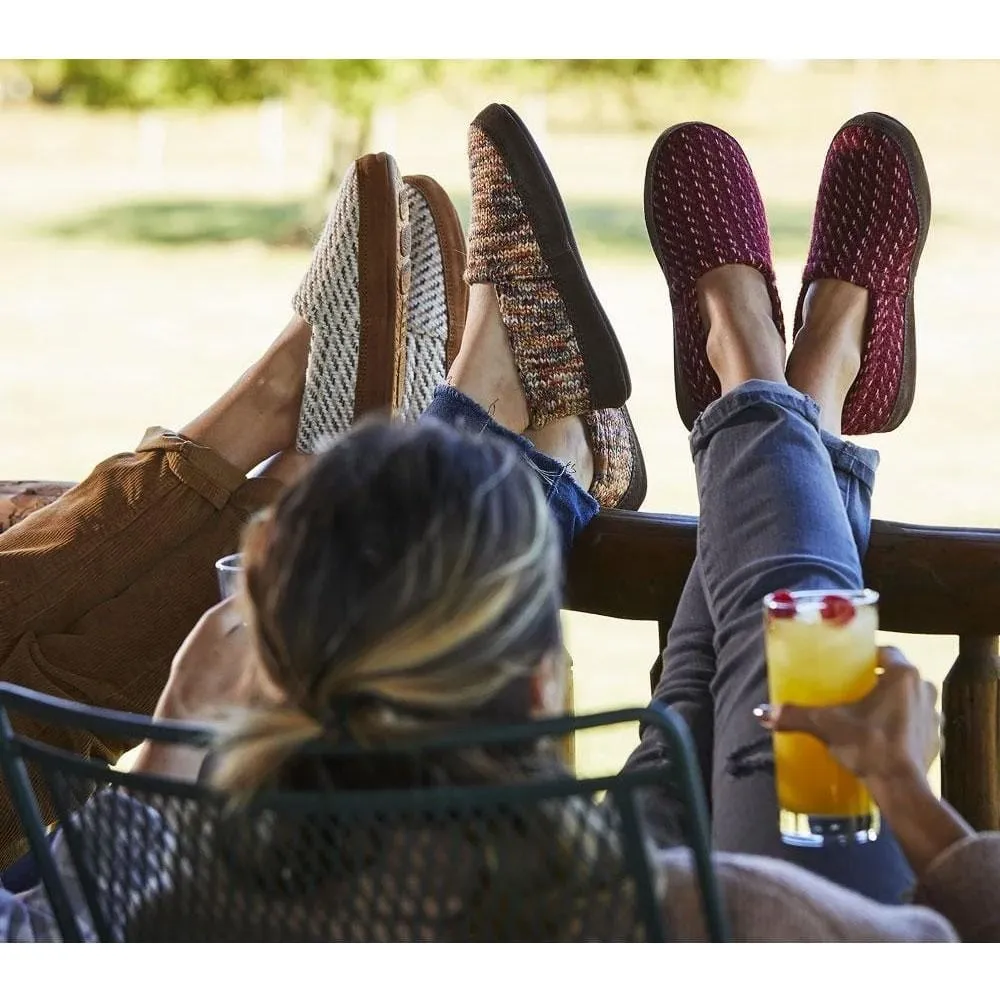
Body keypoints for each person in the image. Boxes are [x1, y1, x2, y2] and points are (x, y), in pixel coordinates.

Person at [1, 103, 997, 942]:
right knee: (758, 694)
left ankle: (758, 373)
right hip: (701, 901)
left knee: (685, 723)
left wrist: (176, 749)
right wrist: (906, 790)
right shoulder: (750, 915)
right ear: (543, 693)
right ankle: (788, 370)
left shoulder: (200, 914)